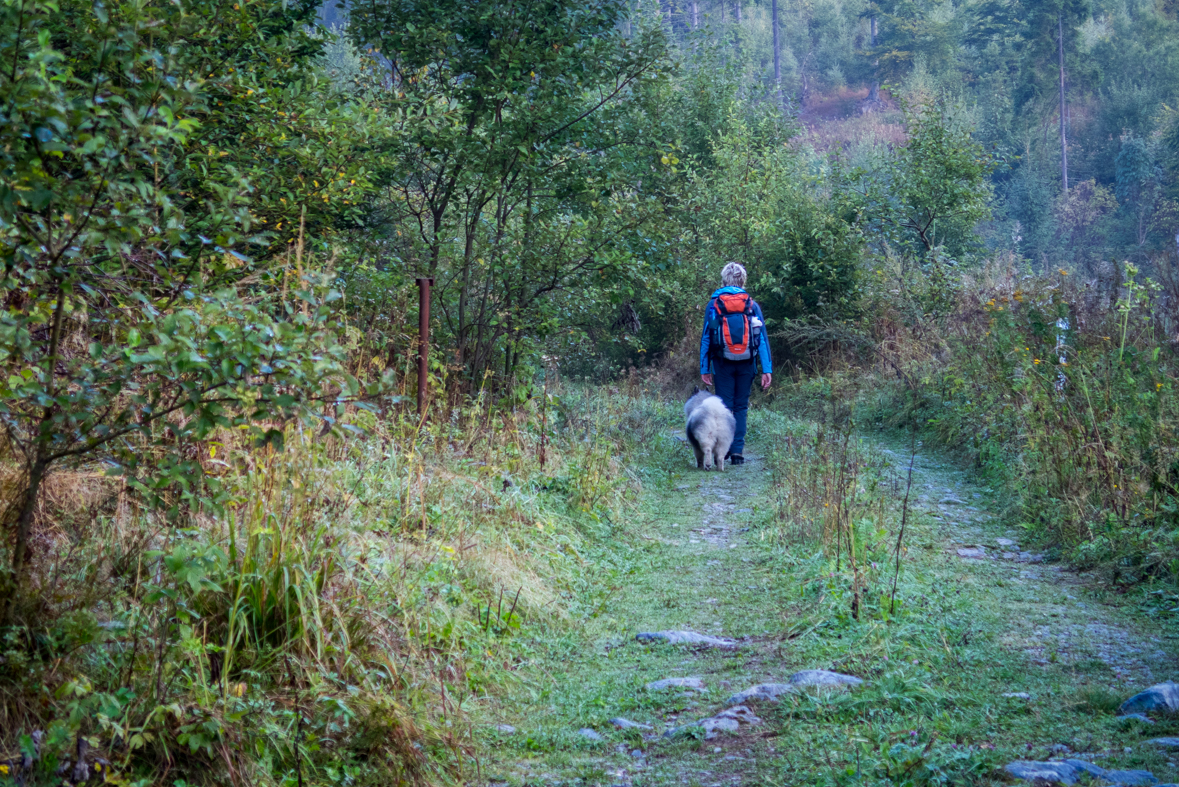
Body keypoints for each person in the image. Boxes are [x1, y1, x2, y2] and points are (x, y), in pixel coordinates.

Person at [699, 262, 771, 465]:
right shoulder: (751, 305)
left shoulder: (714, 304)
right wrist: (767, 369)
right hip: (747, 363)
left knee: (724, 407)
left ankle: (725, 448)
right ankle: (738, 451)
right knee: (741, 407)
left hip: (722, 362)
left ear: (724, 280)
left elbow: (706, 338)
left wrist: (705, 368)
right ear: (743, 280)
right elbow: (762, 339)